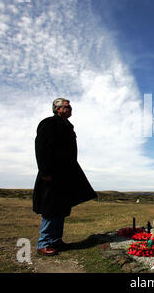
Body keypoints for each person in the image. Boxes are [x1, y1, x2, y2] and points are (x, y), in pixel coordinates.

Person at [32, 98, 97, 256]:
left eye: (70, 106)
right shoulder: (48, 123)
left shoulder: (67, 126)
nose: (70, 108)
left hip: (65, 175)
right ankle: (44, 243)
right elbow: (41, 147)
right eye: (67, 107)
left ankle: (56, 240)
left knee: (60, 208)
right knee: (50, 209)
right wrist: (45, 172)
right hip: (51, 175)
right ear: (58, 109)